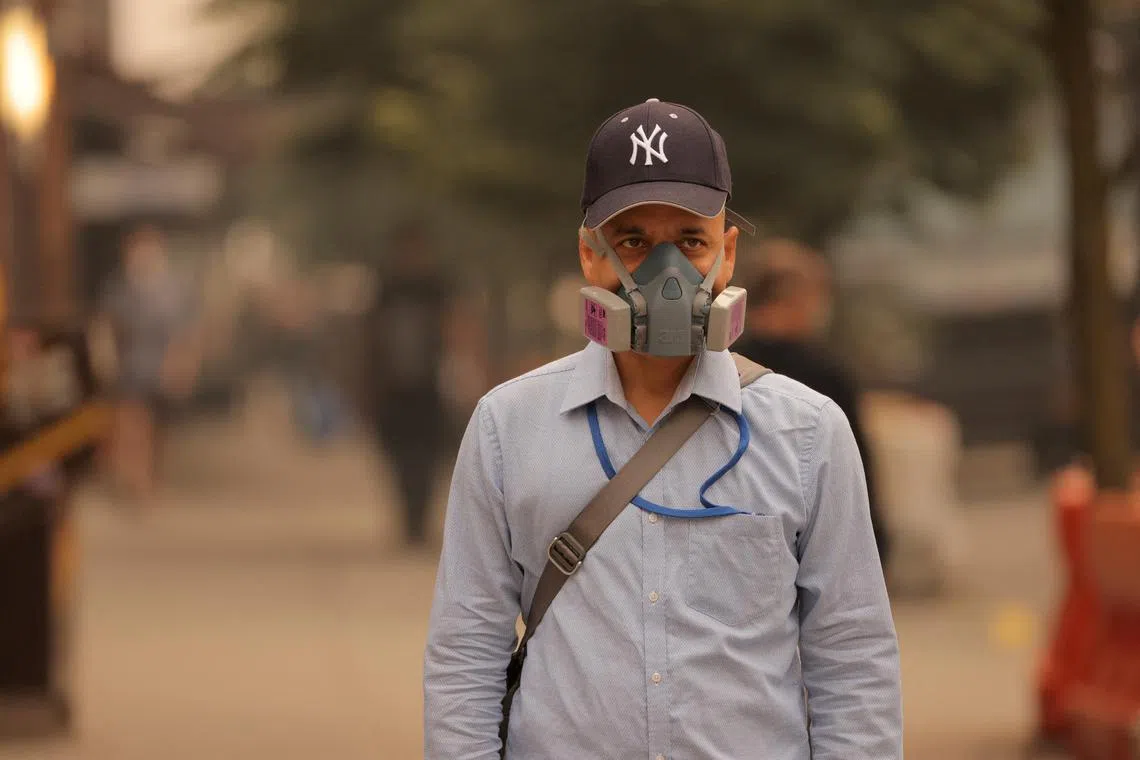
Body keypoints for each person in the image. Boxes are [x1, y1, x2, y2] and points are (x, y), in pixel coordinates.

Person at [423, 99, 901, 758]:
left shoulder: (809, 433)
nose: (664, 272)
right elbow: (465, 652)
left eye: (690, 242)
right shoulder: (507, 427)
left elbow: (853, 661)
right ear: (591, 257)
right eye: (634, 242)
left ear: (727, 255)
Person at [734, 239, 891, 569]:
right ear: (798, 298)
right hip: (821, 549)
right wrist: (879, 546)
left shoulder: (720, 367)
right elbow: (856, 476)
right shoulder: (828, 376)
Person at [362, 221, 454, 546]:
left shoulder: (436, 287)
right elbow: (369, 336)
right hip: (392, 388)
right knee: (399, 456)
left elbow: (454, 328)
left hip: (429, 387)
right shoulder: (385, 287)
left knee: (428, 457)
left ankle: (420, 518)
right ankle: (408, 519)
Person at [94, 225, 198, 506]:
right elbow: (107, 329)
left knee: (159, 431)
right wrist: (106, 363)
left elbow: (185, 334)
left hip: (163, 369)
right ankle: (135, 482)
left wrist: (183, 366)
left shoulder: (175, 290)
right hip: (130, 369)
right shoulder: (119, 289)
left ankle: (150, 479)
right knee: (132, 426)